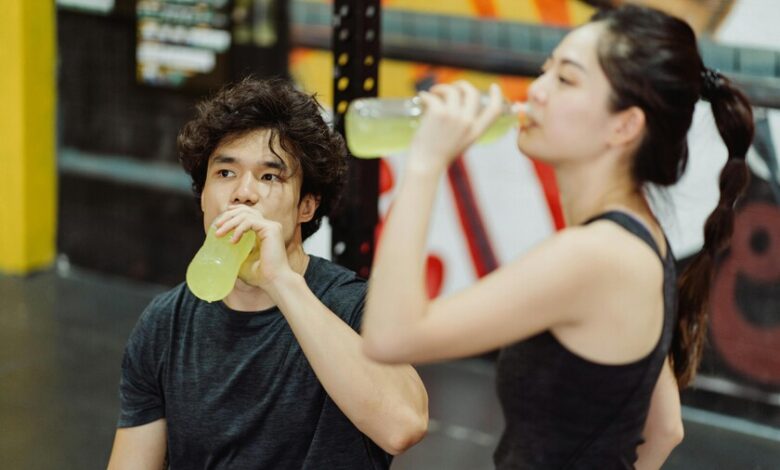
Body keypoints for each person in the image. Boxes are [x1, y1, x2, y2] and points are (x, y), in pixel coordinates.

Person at [361, 4, 753, 469]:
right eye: (545, 71)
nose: (537, 92)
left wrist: (426, 163)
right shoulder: (639, 237)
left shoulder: (593, 256)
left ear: (624, 125)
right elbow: (665, 429)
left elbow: (390, 338)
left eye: (565, 80)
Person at [107, 77, 428, 469]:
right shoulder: (165, 323)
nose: (243, 193)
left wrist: (280, 282)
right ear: (204, 197)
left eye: (269, 176)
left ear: (306, 207)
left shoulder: (355, 307)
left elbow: (403, 425)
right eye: (225, 173)